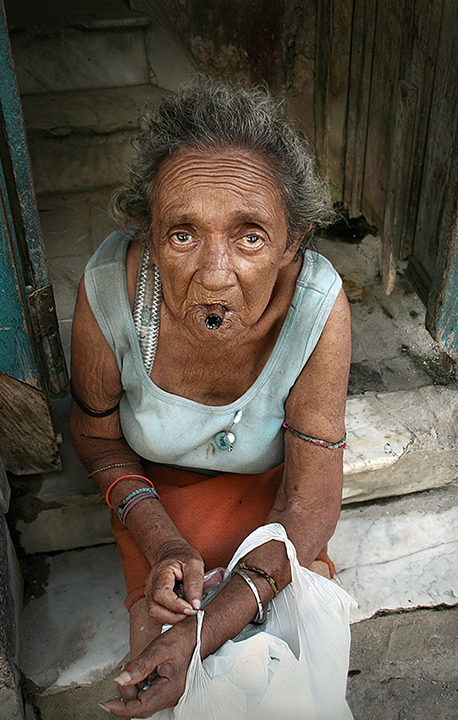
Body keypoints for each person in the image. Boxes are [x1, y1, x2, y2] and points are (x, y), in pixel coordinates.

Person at [68, 79, 350, 718]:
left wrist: (206, 629)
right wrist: (162, 542)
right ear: (149, 231)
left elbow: (307, 505)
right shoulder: (111, 290)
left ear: (292, 242)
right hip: (154, 500)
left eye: (250, 237)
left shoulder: (317, 305)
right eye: (183, 235)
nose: (216, 273)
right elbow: (97, 437)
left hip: (274, 505)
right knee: (167, 676)